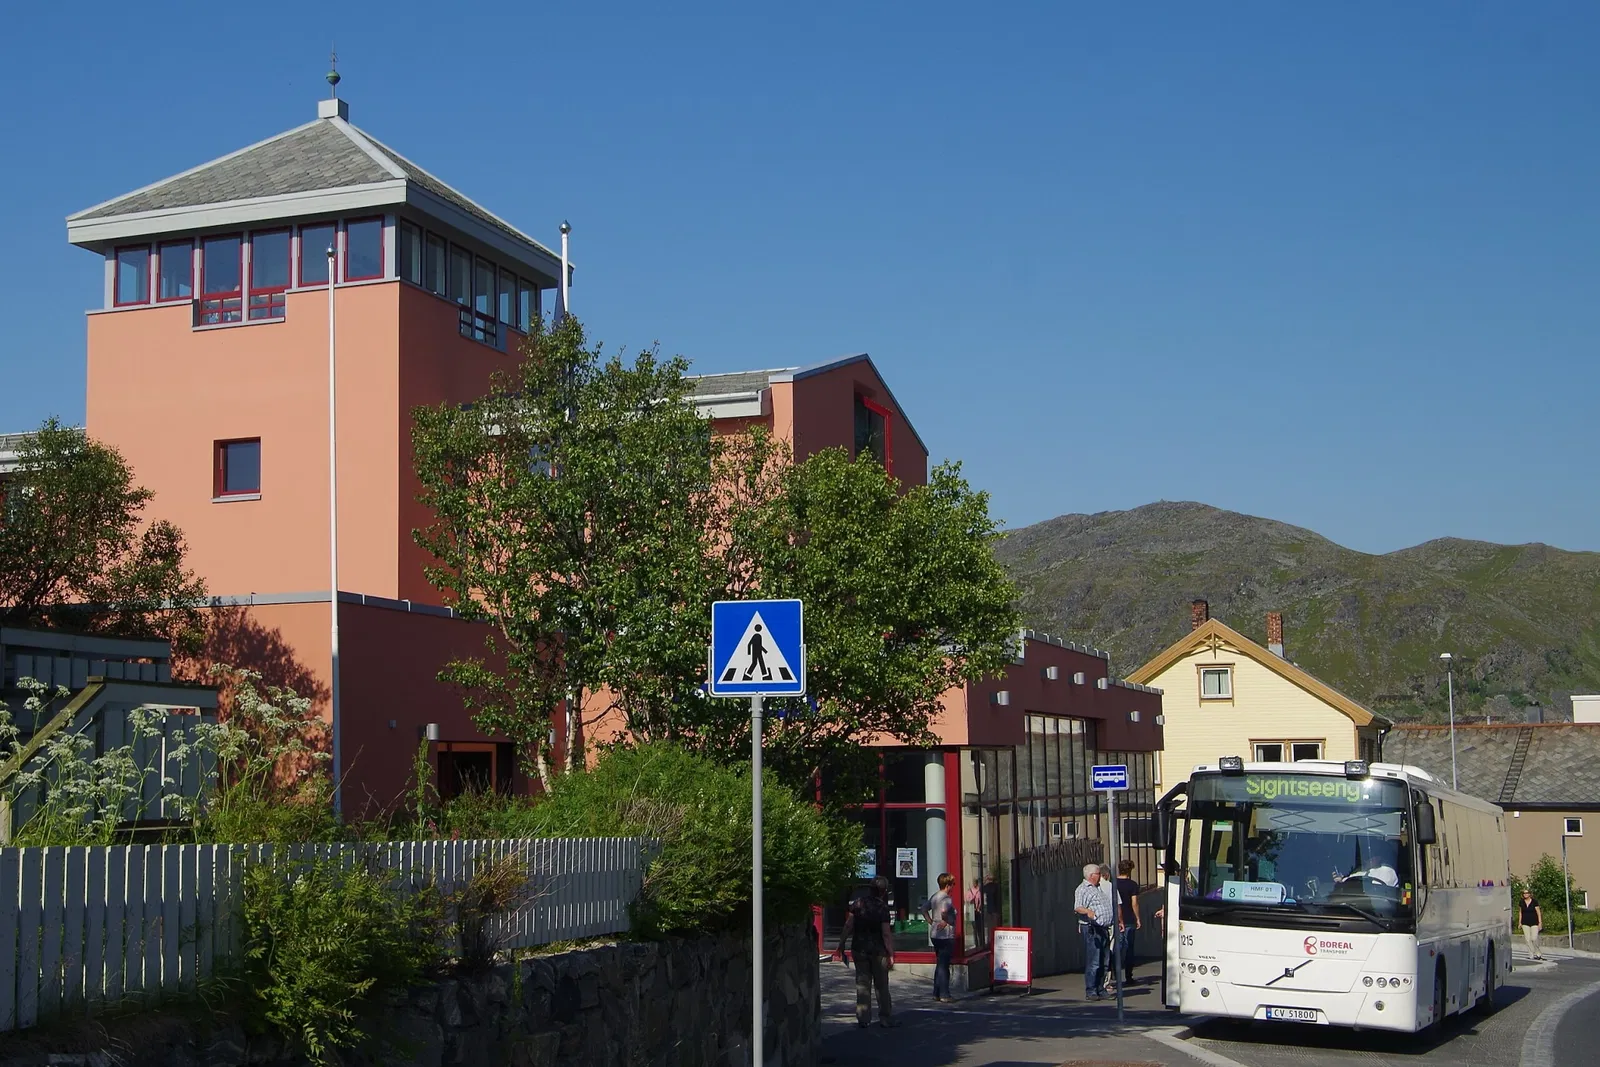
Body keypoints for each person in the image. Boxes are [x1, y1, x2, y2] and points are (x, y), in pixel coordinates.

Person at [838, 877, 896, 1027]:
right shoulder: (882, 907)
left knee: (863, 984)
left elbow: (848, 925)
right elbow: (886, 933)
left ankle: (863, 1018)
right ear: (883, 892)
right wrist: (891, 953)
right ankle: (885, 1017)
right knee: (881, 985)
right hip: (878, 951)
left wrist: (842, 943)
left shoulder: (858, 903)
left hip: (859, 948)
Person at [1074, 863, 1115, 1000]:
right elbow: (1078, 907)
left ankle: (1100, 988)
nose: (1101, 877)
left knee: (1104, 960)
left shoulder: (1097, 888)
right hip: (1092, 928)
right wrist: (1088, 911)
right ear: (1091, 876)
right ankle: (1091, 990)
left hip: (1102, 928)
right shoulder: (1083, 889)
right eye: (1098, 874)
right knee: (1094, 961)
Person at [926, 872, 958, 1003]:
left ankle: (936, 992)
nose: (953, 887)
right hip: (945, 935)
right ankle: (945, 994)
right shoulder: (946, 898)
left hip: (935, 934)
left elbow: (923, 909)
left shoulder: (935, 897)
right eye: (952, 884)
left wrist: (931, 921)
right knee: (944, 965)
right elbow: (945, 911)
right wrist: (947, 921)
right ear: (948, 885)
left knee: (940, 963)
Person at [1114, 859, 1142, 987]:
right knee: (1129, 948)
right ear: (1130, 870)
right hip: (1129, 918)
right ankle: (1128, 976)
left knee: (1117, 946)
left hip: (1116, 919)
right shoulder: (1132, 885)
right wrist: (1137, 918)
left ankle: (1114, 972)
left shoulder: (1112, 883)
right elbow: (1134, 903)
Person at [1519, 889, 1544, 961]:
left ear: (1530, 894)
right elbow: (1520, 912)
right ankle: (1531, 954)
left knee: (1534, 938)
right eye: (1524, 893)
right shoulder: (1521, 902)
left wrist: (1540, 922)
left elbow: (1538, 912)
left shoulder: (1534, 902)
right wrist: (1520, 922)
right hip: (1525, 922)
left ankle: (1538, 953)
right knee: (1527, 939)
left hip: (1534, 922)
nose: (1525, 894)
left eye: (1527, 893)